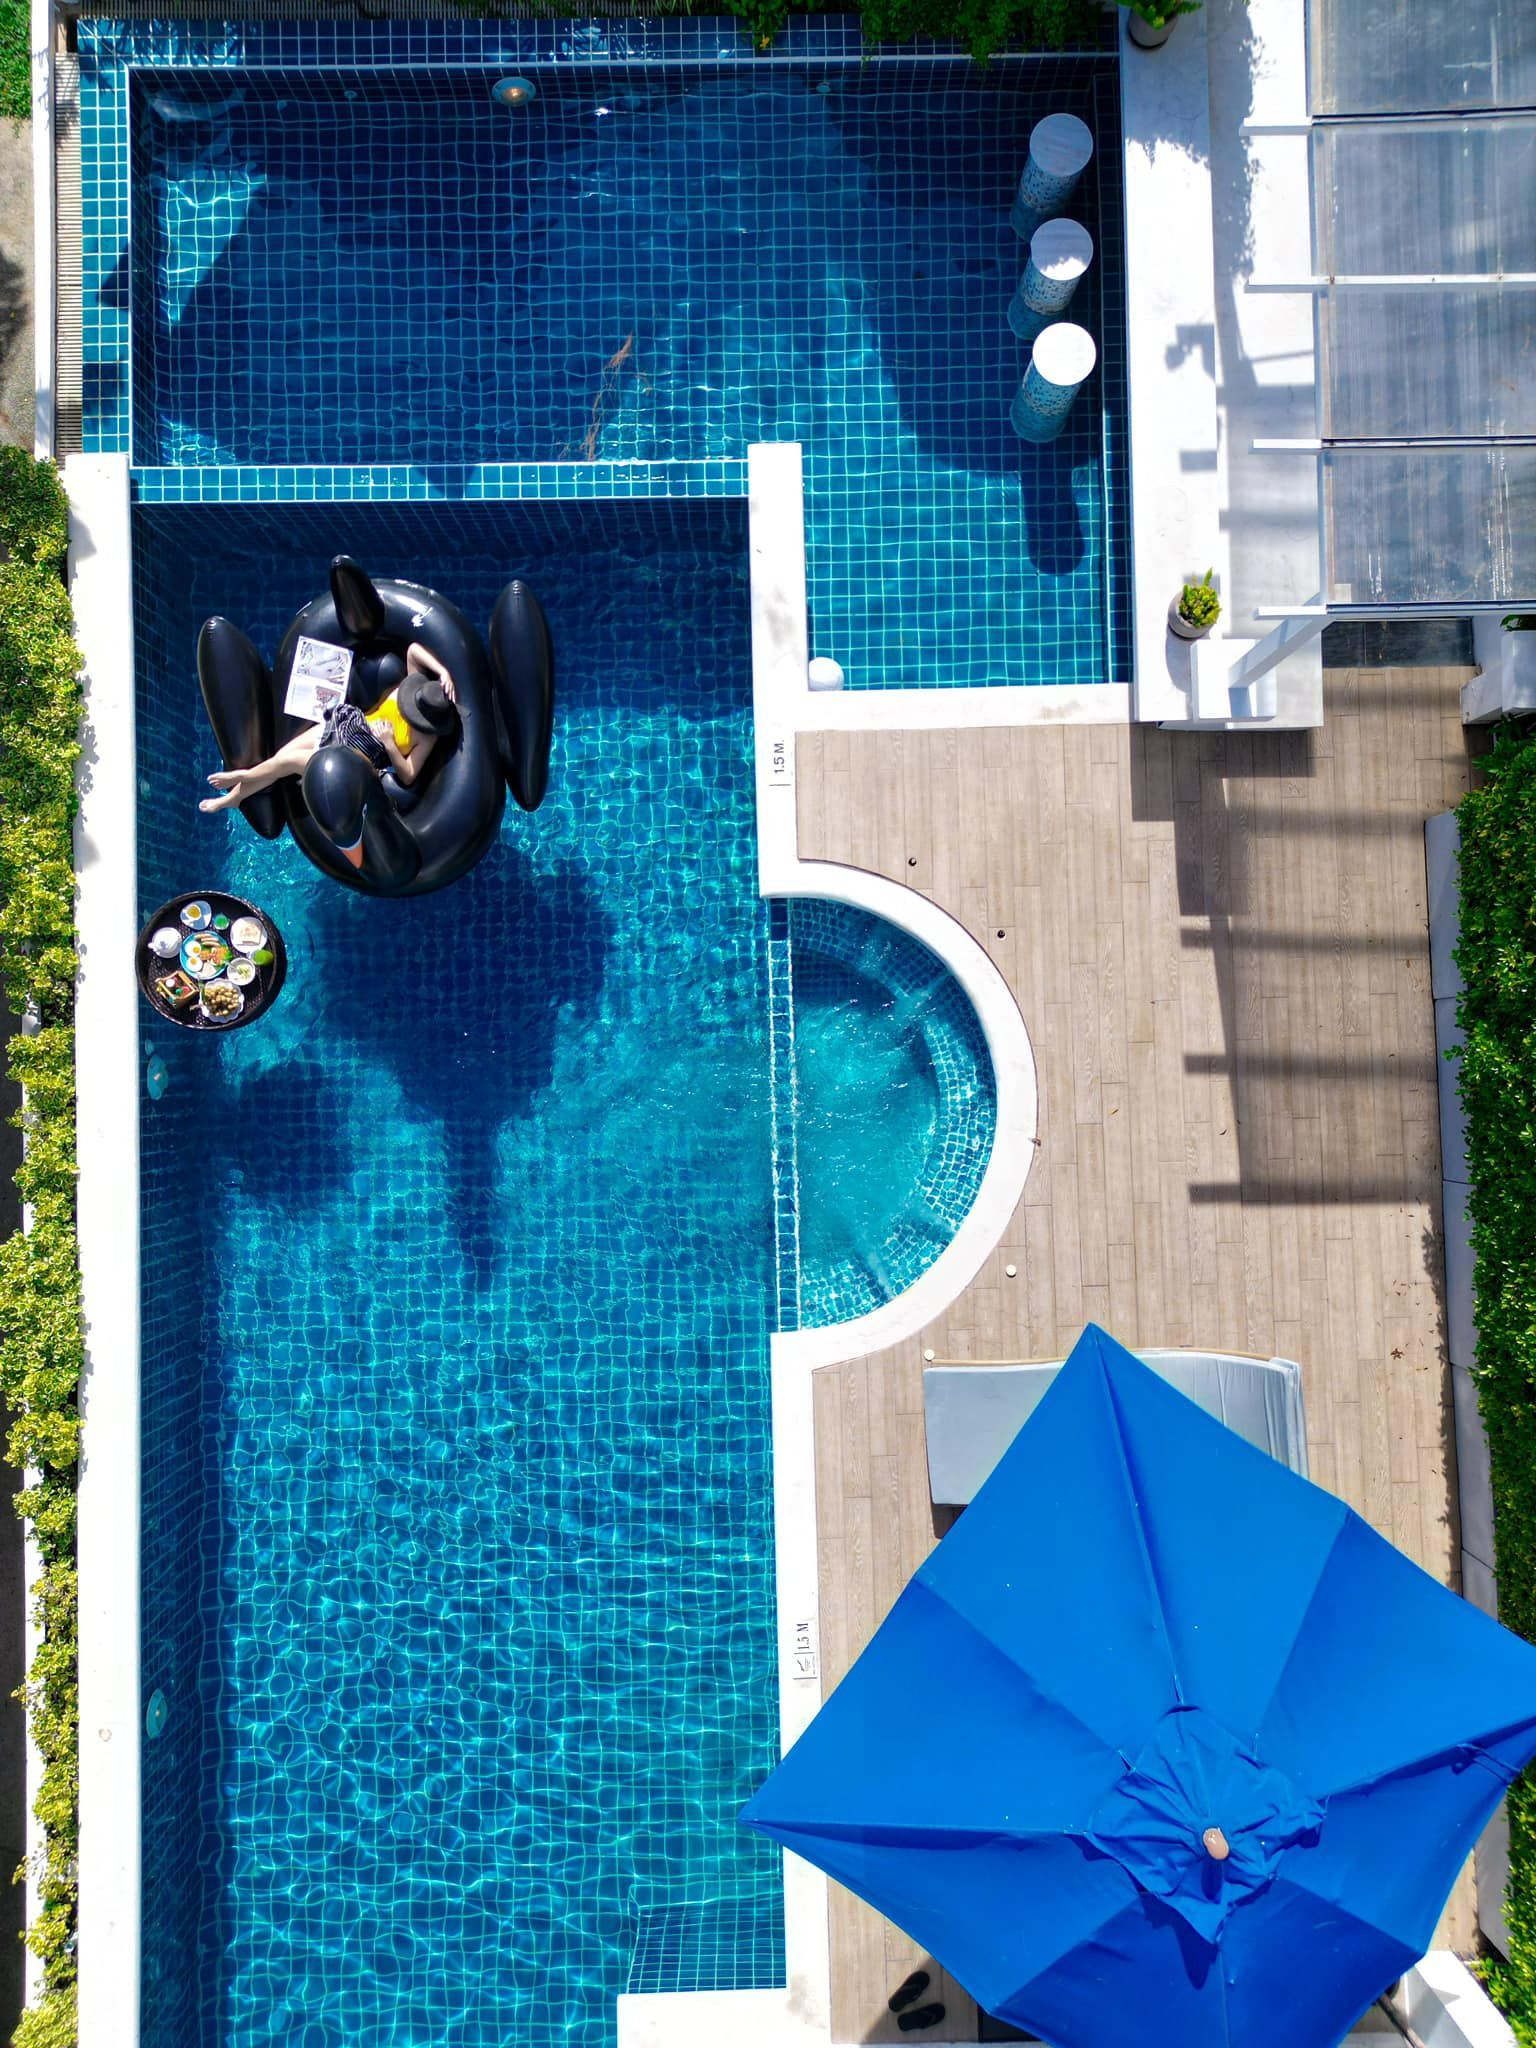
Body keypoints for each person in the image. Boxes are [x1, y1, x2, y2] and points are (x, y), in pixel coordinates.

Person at [199, 642, 458, 815]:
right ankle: (236, 796)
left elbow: (410, 775)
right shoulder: (412, 686)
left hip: (358, 756)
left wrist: (390, 744)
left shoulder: (426, 736)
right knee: (280, 759)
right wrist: (442, 671)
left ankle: (239, 783)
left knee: (286, 762)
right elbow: (413, 650)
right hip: (345, 723)